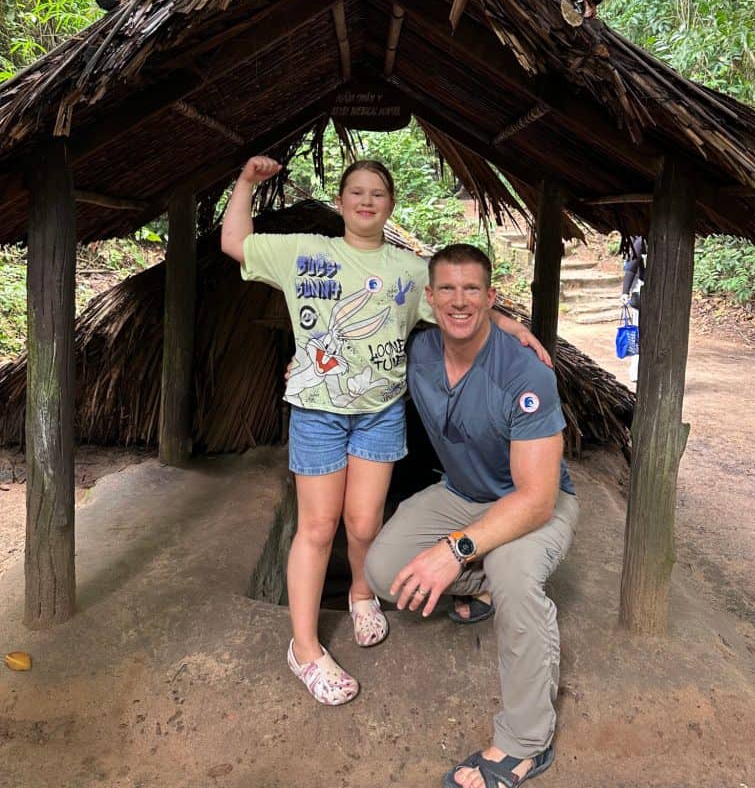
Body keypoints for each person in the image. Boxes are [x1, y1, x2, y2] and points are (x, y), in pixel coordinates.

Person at [221, 157, 549, 707]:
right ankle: (304, 648)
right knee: (318, 527)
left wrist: (513, 327)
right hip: (318, 414)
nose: (367, 200)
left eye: (377, 193)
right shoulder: (306, 251)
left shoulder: (409, 269)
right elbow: (236, 241)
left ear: (390, 204)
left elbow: (457, 306)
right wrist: (248, 182)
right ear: (341, 200)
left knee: (366, 522)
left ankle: (361, 593)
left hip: (379, 412)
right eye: (356, 191)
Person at [364, 243, 578, 787]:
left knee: (513, 573)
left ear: (491, 297)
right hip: (462, 493)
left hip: (534, 502)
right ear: (430, 299)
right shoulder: (419, 352)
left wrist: (453, 550)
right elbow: (354, 344)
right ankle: (481, 590)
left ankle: (526, 742)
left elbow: (535, 500)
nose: (460, 302)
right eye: (448, 290)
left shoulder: (524, 374)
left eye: (473, 290)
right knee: (384, 569)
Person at [621, 235, 646, 383]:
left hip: (658, 293)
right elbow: (631, 269)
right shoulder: (641, 242)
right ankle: (636, 370)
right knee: (639, 333)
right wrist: (625, 291)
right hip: (642, 292)